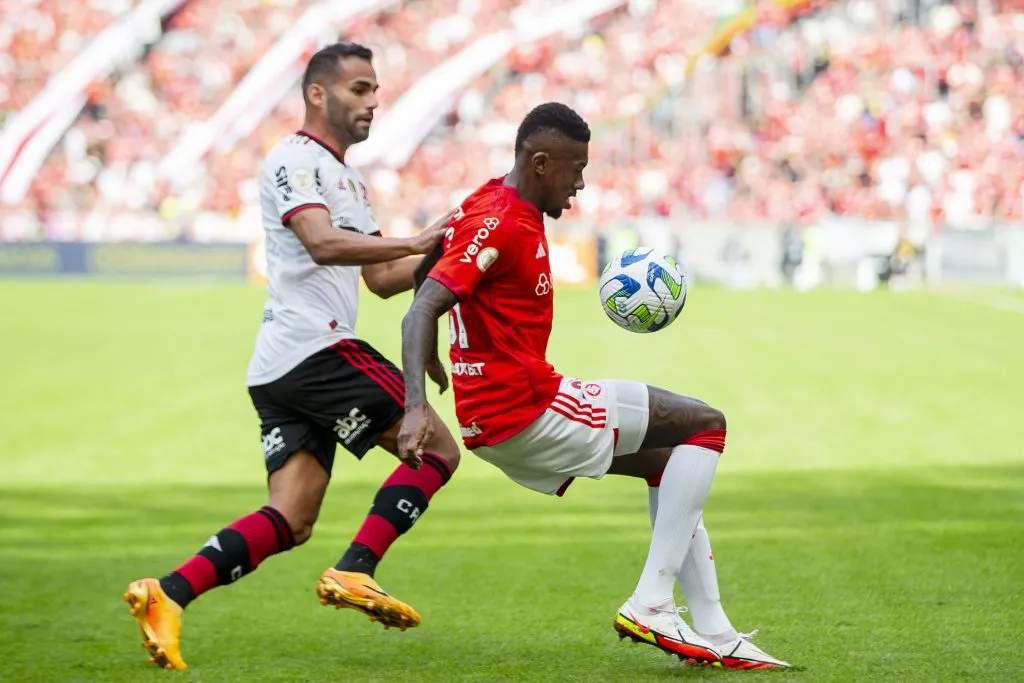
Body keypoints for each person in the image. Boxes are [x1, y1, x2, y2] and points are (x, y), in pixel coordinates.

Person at [398, 102, 789, 670]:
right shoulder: (503, 220)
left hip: (499, 417)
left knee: (667, 463)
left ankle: (716, 631)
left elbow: (425, 272)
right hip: (526, 407)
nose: (580, 184)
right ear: (539, 162)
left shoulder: (486, 200)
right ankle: (652, 603)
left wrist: (436, 349)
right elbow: (420, 308)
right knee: (706, 426)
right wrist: (415, 405)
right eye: (575, 169)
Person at [123, 42, 461, 670]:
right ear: (317, 94)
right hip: (318, 350)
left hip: (284, 366)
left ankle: (166, 594)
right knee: (438, 450)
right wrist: (414, 238)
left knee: (292, 516)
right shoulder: (292, 160)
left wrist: (447, 251)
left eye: (375, 88)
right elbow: (319, 241)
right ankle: (357, 568)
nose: (374, 100)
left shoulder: (348, 179)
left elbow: (384, 279)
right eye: (360, 88)